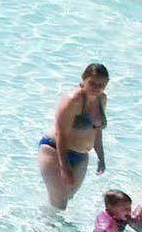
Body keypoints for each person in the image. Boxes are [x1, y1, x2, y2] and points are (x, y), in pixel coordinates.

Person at [39, 63, 110, 210]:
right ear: (83, 79)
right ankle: (44, 229)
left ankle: (46, 223)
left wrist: (101, 157)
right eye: (92, 83)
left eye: (101, 84)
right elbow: (61, 133)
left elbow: (97, 130)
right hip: (55, 150)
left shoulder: (101, 99)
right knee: (59, 204)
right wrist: (64, 167)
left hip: (81, 155)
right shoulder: (74, 99)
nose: (96, 87)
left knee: (68, 196)